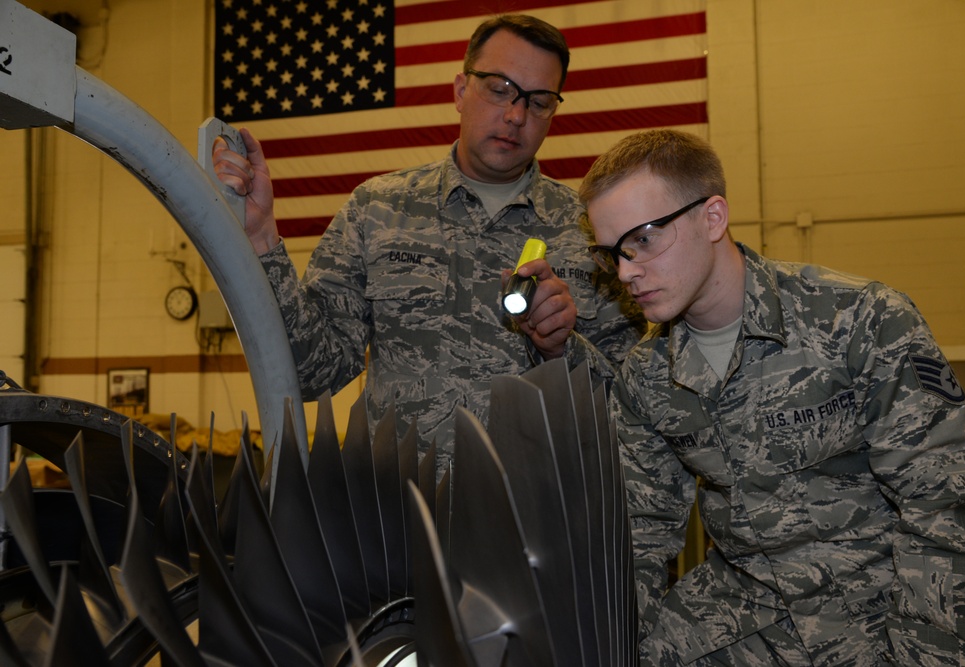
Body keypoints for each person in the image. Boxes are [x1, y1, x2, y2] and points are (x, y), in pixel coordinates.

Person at [578, 128, 965, 666]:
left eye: (643, 239)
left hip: (882, 606)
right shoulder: (646, 374)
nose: (626, 271)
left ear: (712, 218)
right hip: (746, 612)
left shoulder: (860, 319)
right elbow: (639, 531)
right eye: (611, 251)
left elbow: (951, 506)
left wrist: (926, 656)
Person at [212, 14, 646, 460]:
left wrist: (561, 350)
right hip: (402, 516)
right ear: (461, 90)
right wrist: (262, 237)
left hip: (535, 519)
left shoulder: (590, 234)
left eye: (538, 102)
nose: (516, 115)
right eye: (499, 89)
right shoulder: (377, 210)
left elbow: (636, 410)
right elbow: (311, 372)